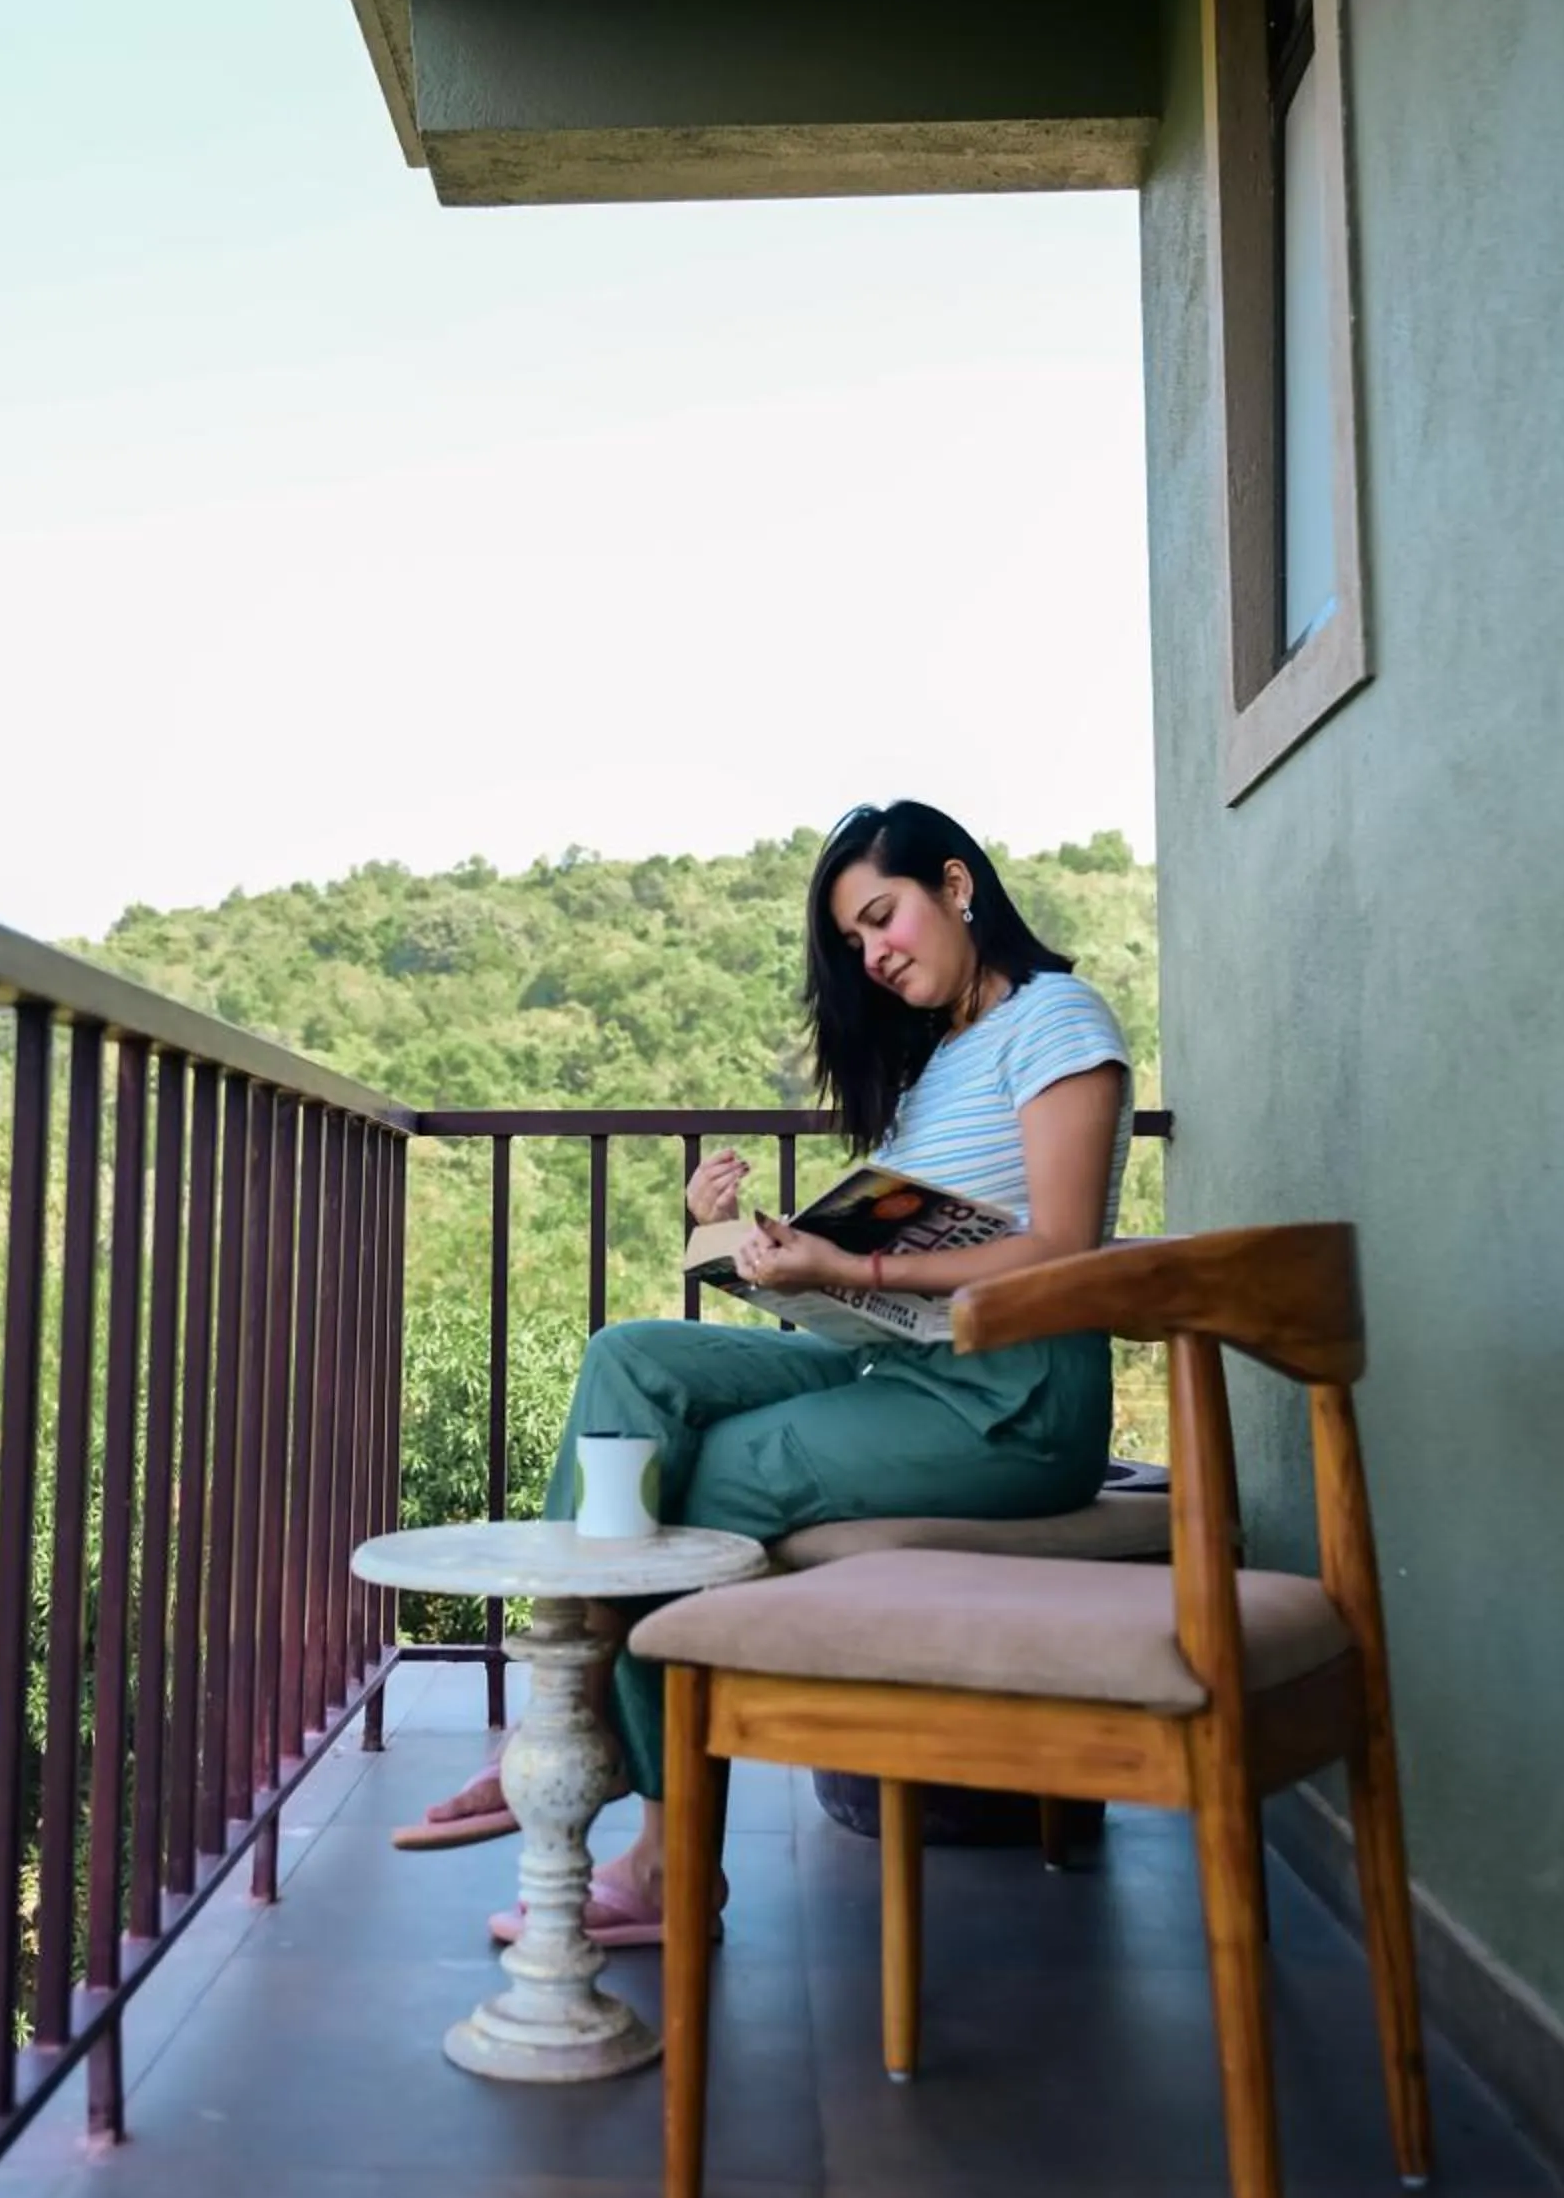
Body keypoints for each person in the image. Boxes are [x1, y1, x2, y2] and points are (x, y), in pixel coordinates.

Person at [395, 797, 1135, 1945]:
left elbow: (1065, 1247)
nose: (875, 955)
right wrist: (743, 1245)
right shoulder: (938, 1066)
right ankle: (567, 1707)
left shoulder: (1057, 1019)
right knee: (631, 1360)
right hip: (902, 1373)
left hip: (1017, 1400)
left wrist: (860, 1256)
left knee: (691, 1481)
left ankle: (649, 1839)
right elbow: (886, 1286)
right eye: (853, 943)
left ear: (955, 885)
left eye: (882, 918)